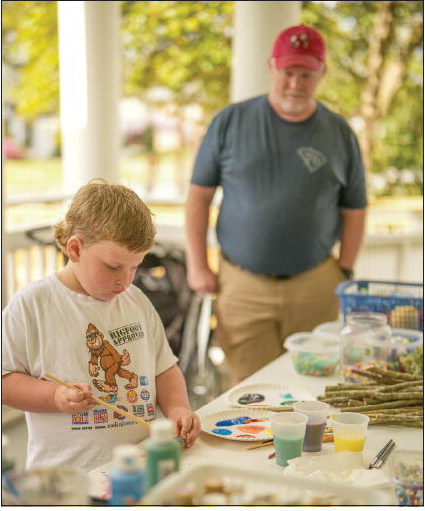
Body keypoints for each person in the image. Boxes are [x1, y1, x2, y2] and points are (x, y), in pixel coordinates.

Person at [185, 24, 367, 383]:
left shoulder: (340, 132)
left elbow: (355, 209)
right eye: (288, 72)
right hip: (242, 285)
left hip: (315, 285)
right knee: (249, 393)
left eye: (306, 74)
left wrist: (343, 270)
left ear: (322, 73)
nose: (296, 84)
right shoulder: (229, 121)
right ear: (272, 67)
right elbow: (198, 198)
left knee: (314, 389)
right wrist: (197, 265)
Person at [2, 181, 200, 473]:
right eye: (113, 267)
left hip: (140, 466)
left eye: (135, 267)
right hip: (68, 479)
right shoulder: (32, 305)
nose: (126, 280)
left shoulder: (136, 301)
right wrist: (54, 397)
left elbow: (164, 368)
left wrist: (179, 409)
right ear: (75, 248)